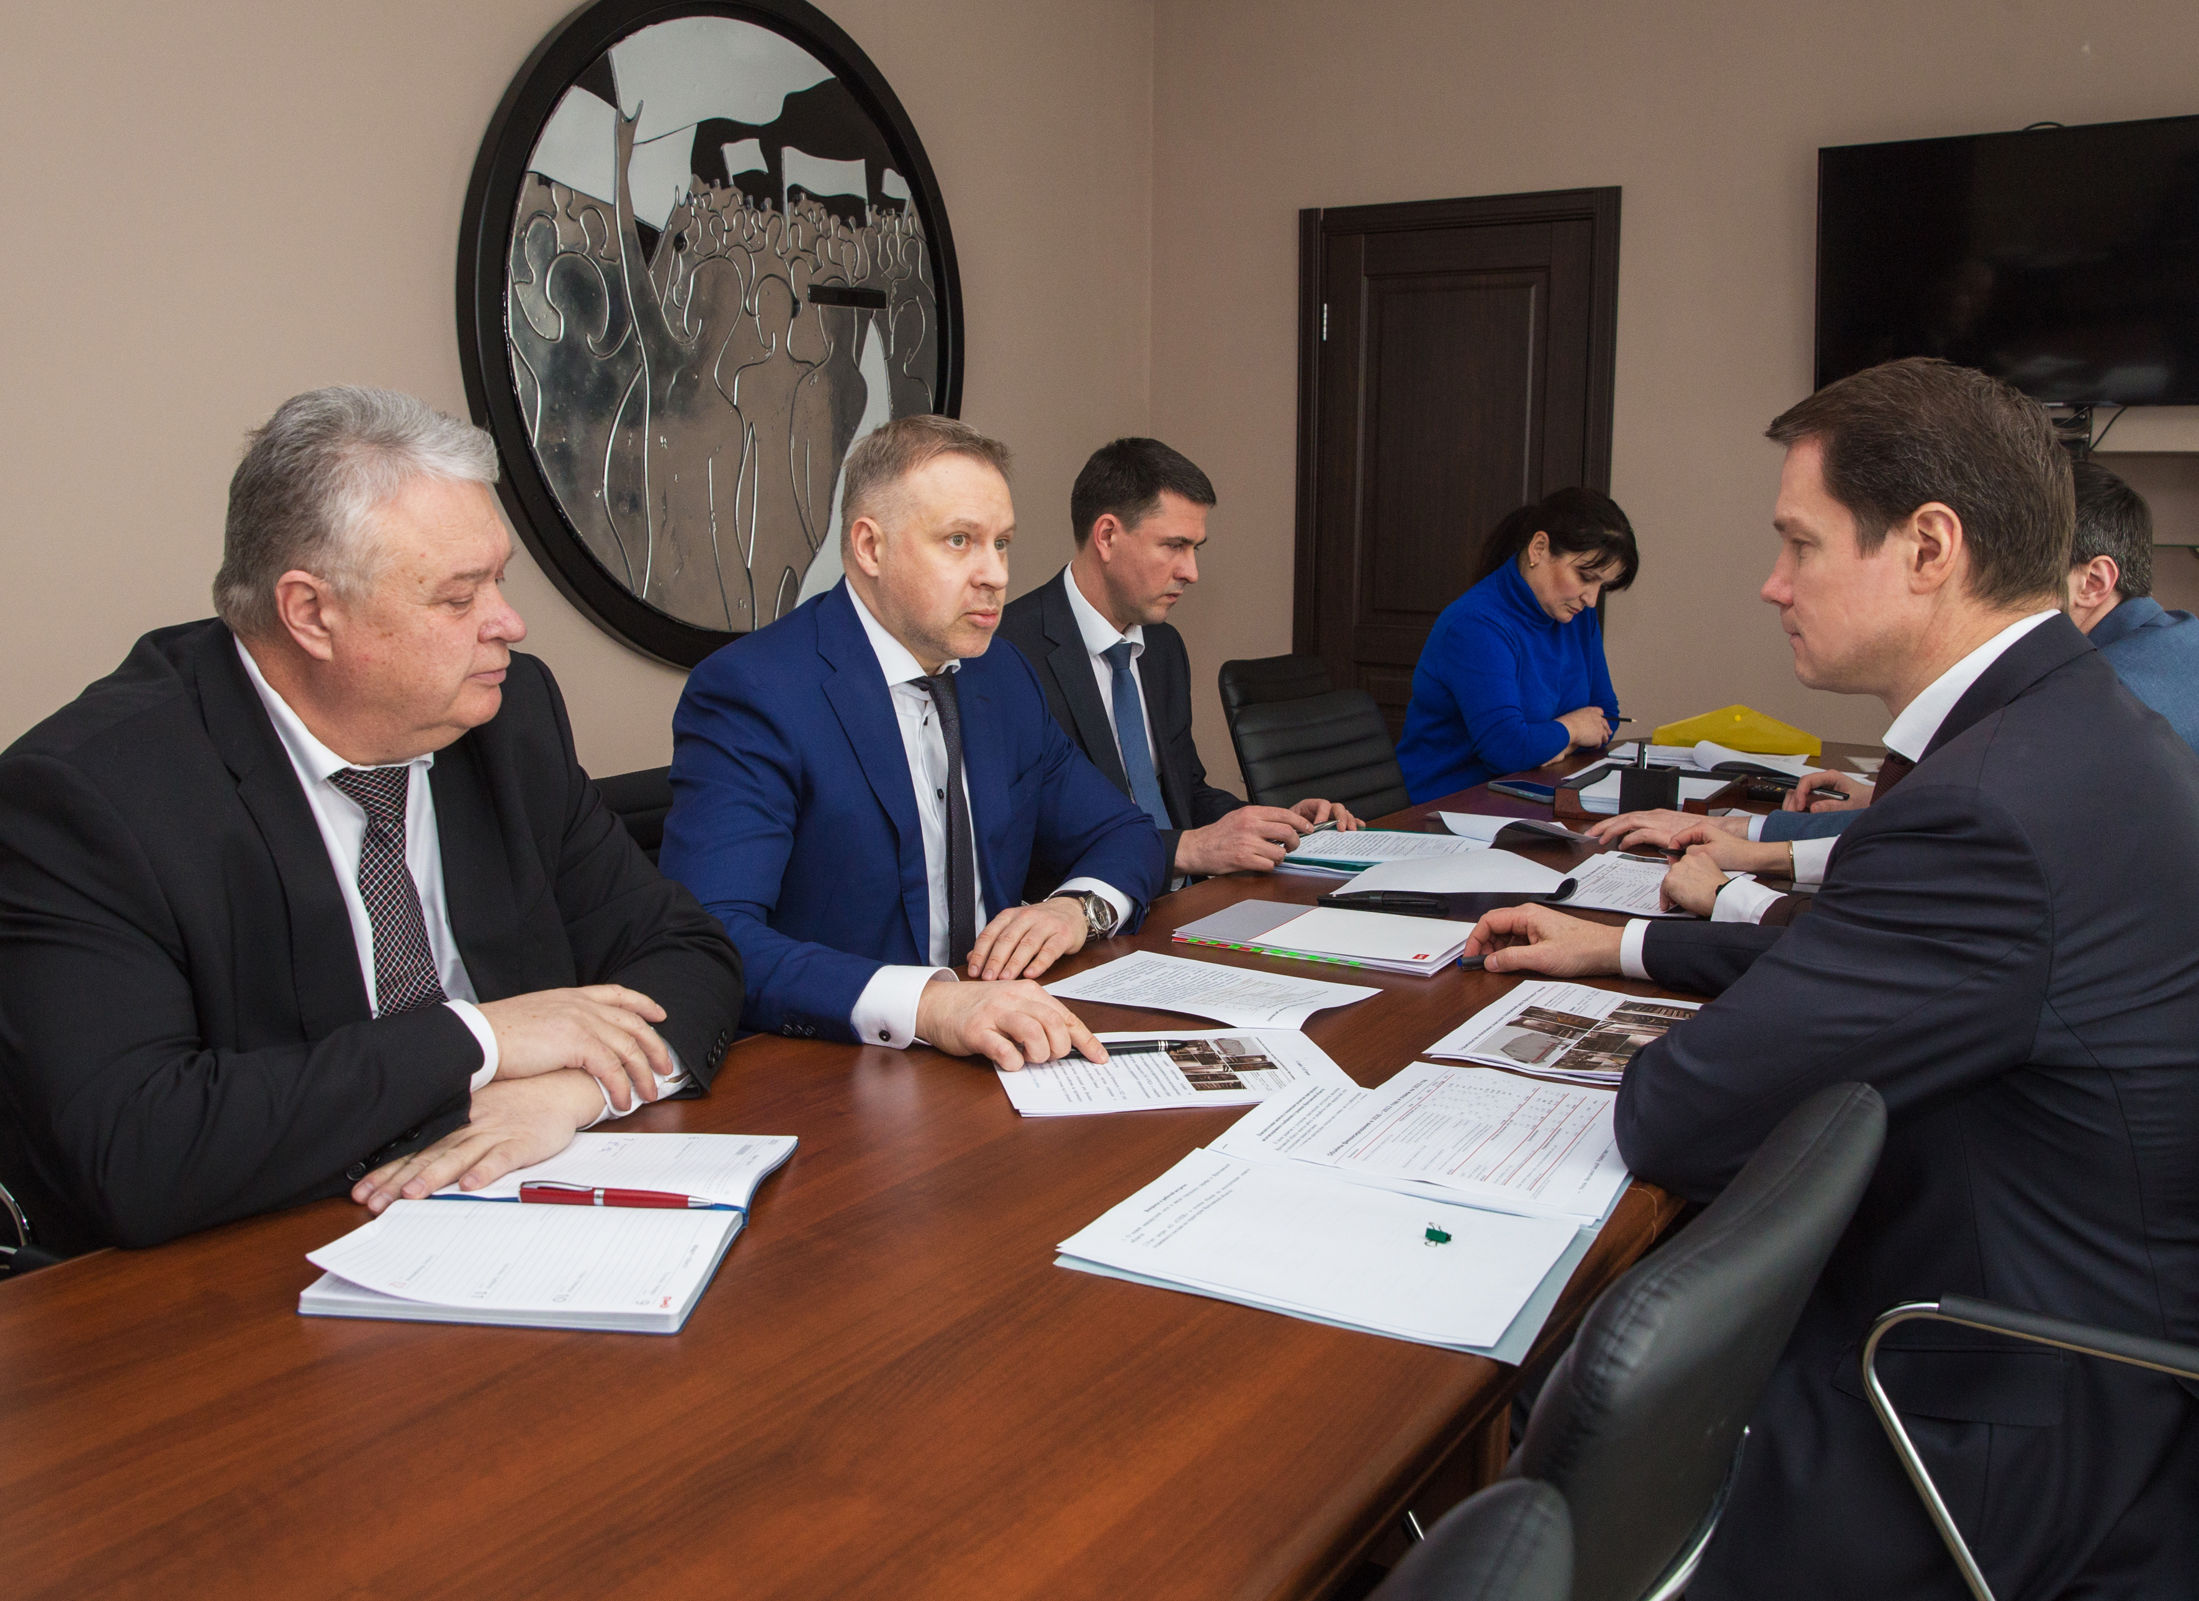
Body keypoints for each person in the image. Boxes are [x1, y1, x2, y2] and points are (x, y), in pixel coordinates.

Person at [1468, 358, 2199, 1599]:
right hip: (2088, 1332)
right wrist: (1625, 944)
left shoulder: (1986, 805)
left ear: (1929, 547)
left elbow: (1680, 1110)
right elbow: (1895, 961)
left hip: (1986, 1402)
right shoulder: (2074, 732)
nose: (1773, 581)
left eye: (1799, 542)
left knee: (1565, 1389)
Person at [0, 388, 746, 1262]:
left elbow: (686, 952)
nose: (508, 624)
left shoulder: (507, 716)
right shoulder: (89, 794)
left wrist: (568, 1093)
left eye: (498, 580)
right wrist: (482, 1039)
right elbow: (136, 1149)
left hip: (509, 1220)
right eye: (458, 597)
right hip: (236, 1271)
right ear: (311, 613)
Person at [659, 415, 1166, 1074]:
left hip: (1006, 1042)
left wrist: (1078, 910)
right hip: (841, 1065)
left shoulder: (1002, 674)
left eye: (1002, 543)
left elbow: (1127, 832)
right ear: (870, 547)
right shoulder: (753, 692)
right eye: (959, 540)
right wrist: (929, 1004)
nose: (995, 574)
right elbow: (715, 938)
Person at [1594, 458, 2199, 907]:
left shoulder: (2105, 697)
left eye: (2024, 579)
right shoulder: (2166, 648)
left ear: (2094, 583)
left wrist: (1749, 835)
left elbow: (1949, 842)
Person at [998, 437, 1362, 882]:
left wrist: (1276, 824)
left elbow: (1184, 793)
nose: (1191, 572)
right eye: (1174, 546)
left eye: (1195, 548)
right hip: (1087, 906)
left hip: (1185, 899)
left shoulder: (1163, 646)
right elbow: (1025, 836)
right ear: (1107, 537)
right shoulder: (1006, 653)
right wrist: (1184, 851)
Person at [1395, 488, 1636, 802]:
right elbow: (1506, 750)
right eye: (1585, 577)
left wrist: (1548, 744)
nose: (1591, 599)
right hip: (1448, 807)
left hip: (1532, 793)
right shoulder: (1476, 624)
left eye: (1602, 586)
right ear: (1539, 548)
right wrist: (1573, 729)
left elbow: (1606, 718)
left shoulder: (1577, 616)